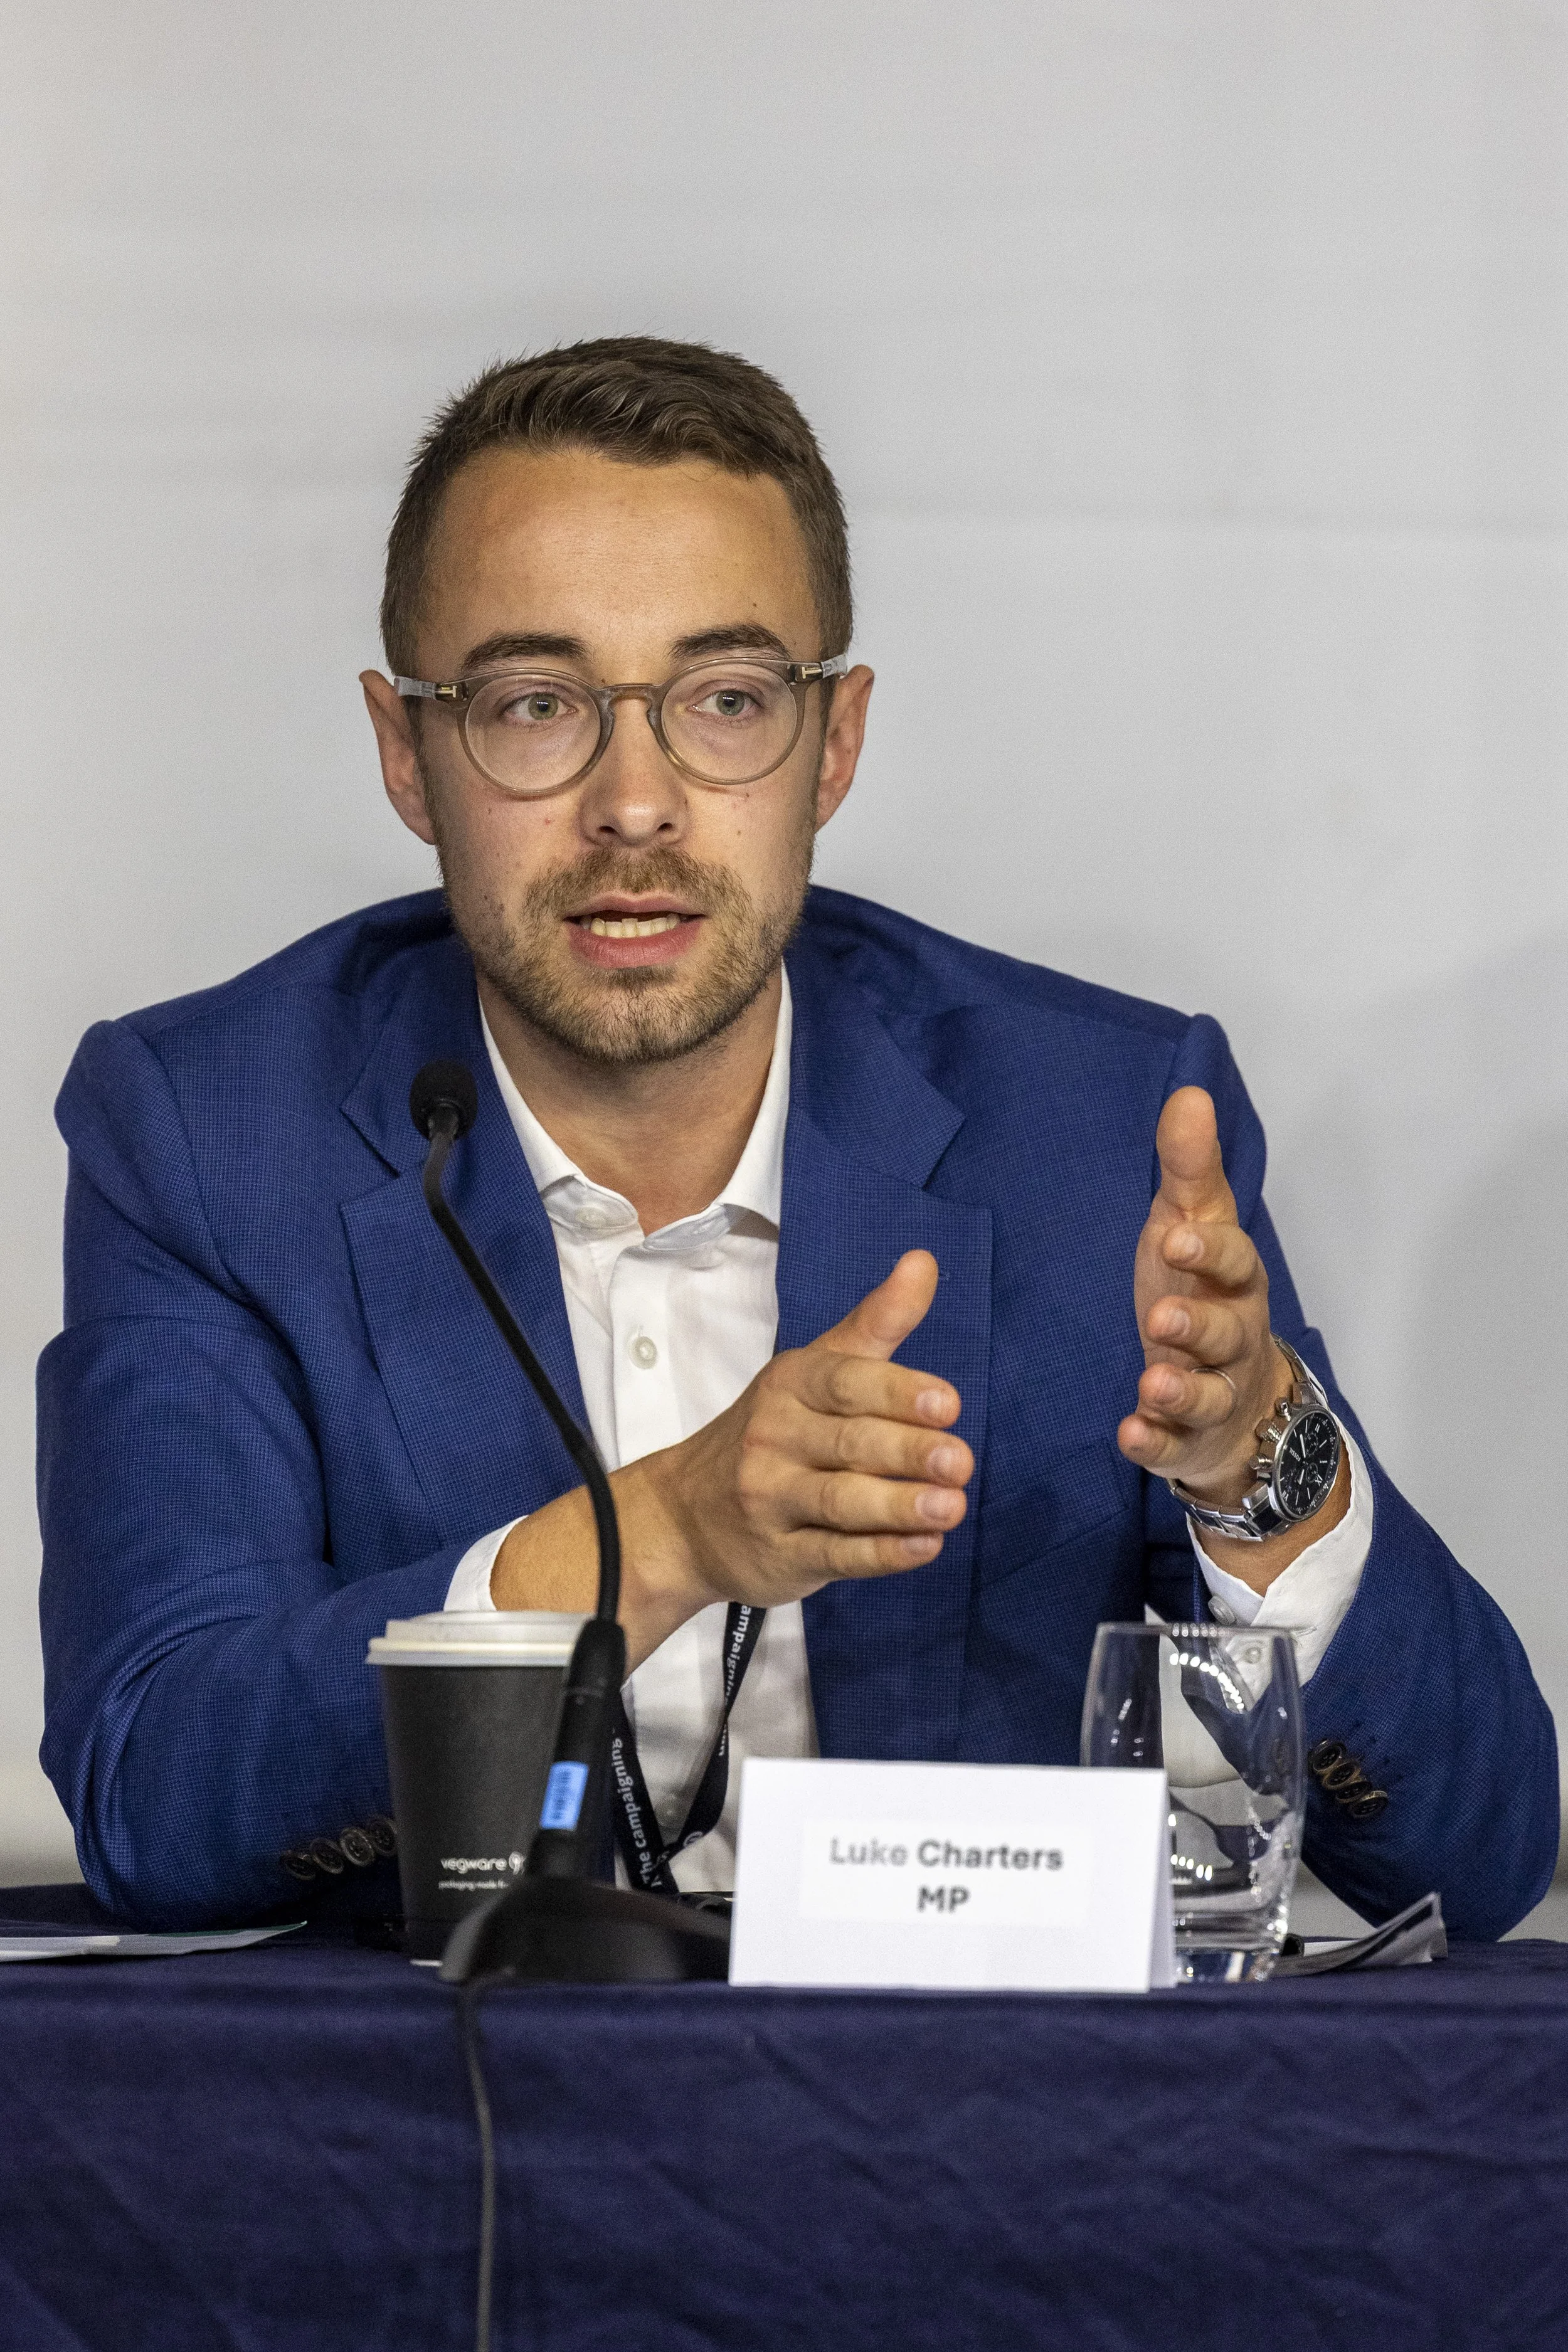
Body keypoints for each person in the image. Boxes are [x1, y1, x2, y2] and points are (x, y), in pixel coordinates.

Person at [38, 337, 1556, 1933]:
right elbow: (158, 1798)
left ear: (831, 743)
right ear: (406, 753)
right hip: (451, 2087)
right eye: (535, 704)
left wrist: (1263, 1475)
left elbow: (1471, 1856)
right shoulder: (208, 1132)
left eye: (725, 701)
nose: (635, 804)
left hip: (968, 2091)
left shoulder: (1094, 1128)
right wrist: (662, 1536)